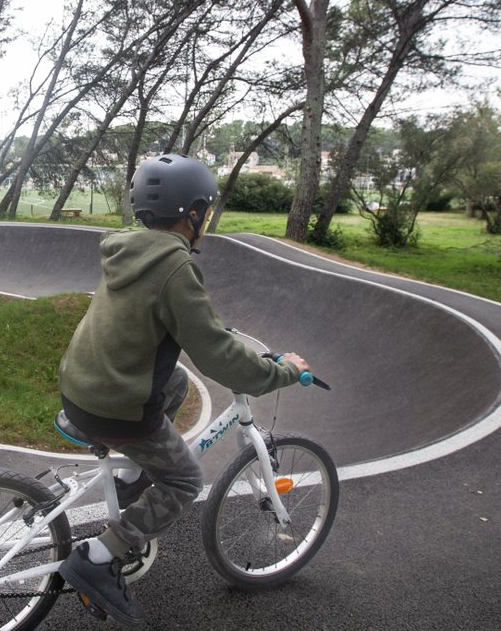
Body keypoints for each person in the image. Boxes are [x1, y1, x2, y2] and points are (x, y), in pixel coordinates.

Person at [56, 153, 311, 624]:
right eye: (206, 211)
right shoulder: (176, 267)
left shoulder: (129, 248)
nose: (207, 220)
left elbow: (173, 320)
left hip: (80, 386)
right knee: (184, 480)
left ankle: (132, 475)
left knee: (172, 380)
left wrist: (207, 326)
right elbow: (218, 358)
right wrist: (284, 372)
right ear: (193, 212)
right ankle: (99, 556)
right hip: (115, 406)